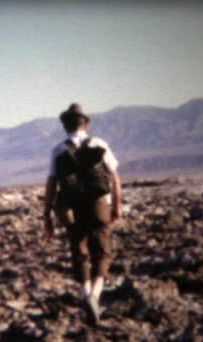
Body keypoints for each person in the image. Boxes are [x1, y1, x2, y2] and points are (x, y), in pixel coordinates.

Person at [42, 102, 122, 326]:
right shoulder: (99, 144)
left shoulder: (58, 150)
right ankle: (95, 296)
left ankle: (86, 294)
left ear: (65, 126)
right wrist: (116, 206)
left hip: (72, 207)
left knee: (80, 251)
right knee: (102, 251)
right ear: (85, 124)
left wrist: (47, 214)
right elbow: (115, 178)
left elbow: (51, 183)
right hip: (98, 204)